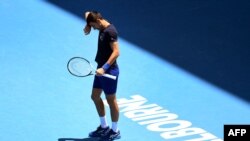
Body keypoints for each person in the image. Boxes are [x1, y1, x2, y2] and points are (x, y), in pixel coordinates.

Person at [83, 11, 121, 140]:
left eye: (94, 26)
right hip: (100, 69)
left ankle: (115, 130)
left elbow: (116, 52)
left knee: (111, 100)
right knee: (95, 96)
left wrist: (104, 68)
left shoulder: (111, 32)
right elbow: (87, 13)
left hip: (109, 71)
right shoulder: (100, 24)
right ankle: (104, 127)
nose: (93, 29)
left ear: (99, 21)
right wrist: (87, 24)